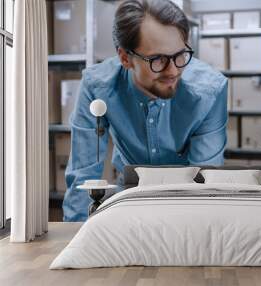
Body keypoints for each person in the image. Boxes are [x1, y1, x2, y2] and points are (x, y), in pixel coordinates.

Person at [63, 0, 228, 221]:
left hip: (188, 199)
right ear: (124, 58)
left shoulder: (209, 92)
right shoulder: (97, 87)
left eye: (180, 55)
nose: (173, 71)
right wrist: (75, 237)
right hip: (130, 194)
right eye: (158, 59)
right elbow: (84, 175)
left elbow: (205, 181)